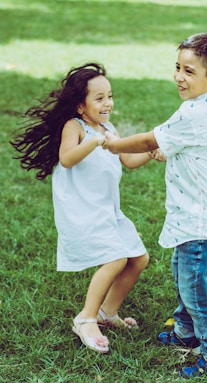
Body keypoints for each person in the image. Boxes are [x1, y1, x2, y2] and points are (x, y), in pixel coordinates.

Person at [103, 33, 207, 377]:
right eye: (178, 67)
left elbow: (149, 140)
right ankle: (187, 333)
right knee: (188, 275)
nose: (179, 77)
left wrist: (113, 144)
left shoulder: (196, 113)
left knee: (196, 286)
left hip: (205, 219)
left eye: (189, 71)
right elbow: (192, 145)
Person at [10, 63, 151, 354]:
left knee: (138, 259)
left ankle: (107, 313)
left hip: (107, 211)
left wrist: (151, 152)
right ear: (80, 105)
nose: (108, 103)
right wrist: (94, 141)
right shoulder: (74, 127)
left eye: (110, 96)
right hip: (82, 212)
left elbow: (127, 159)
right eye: (99, 98)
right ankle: (86, 317)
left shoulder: (108, 128)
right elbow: (67, 158)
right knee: (115, 259)